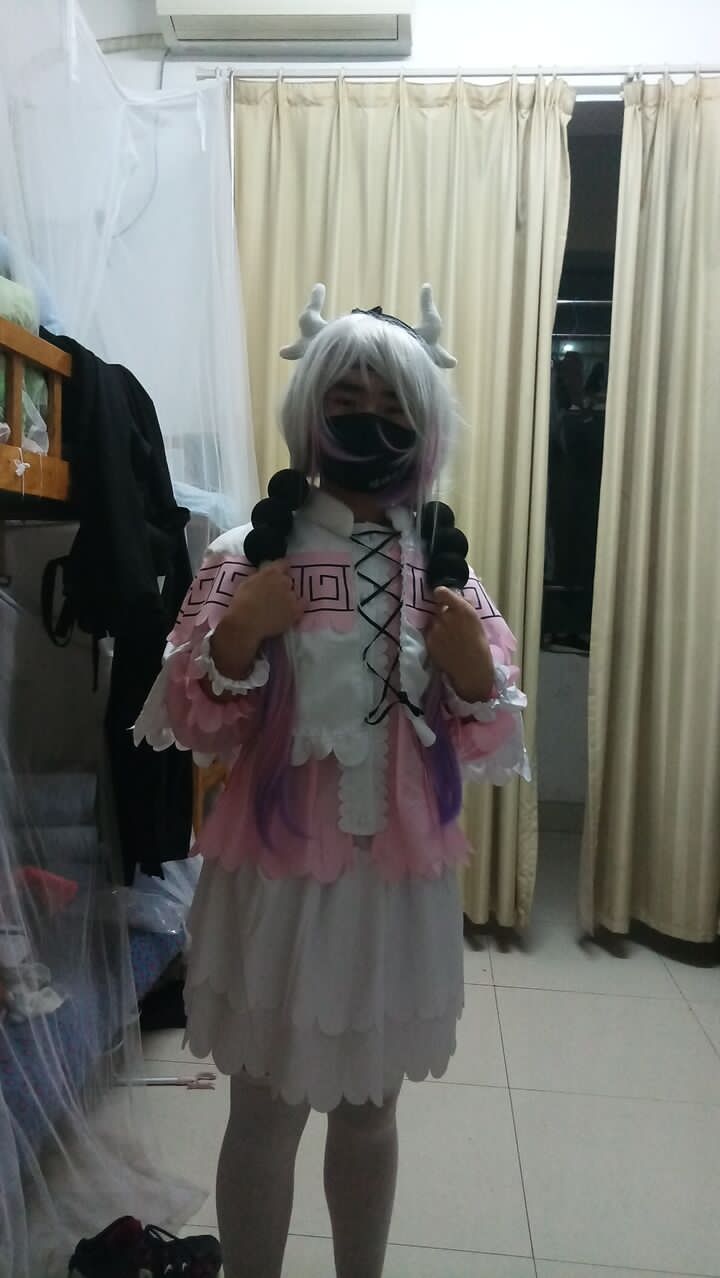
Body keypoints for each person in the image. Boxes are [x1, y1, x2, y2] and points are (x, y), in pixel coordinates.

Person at [136, 284, 529, 1278]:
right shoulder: (244, 556)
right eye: (348, 401)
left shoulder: (445, 570)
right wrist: (241, 631)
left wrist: (470, 672)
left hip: (395, 884)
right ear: (310, 412)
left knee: (370, 1111)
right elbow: (191, 718)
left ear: (427, 427)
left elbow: (489, 736)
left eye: (395, 408)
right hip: (275, 880)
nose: (370, 424)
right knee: (265, 1112)